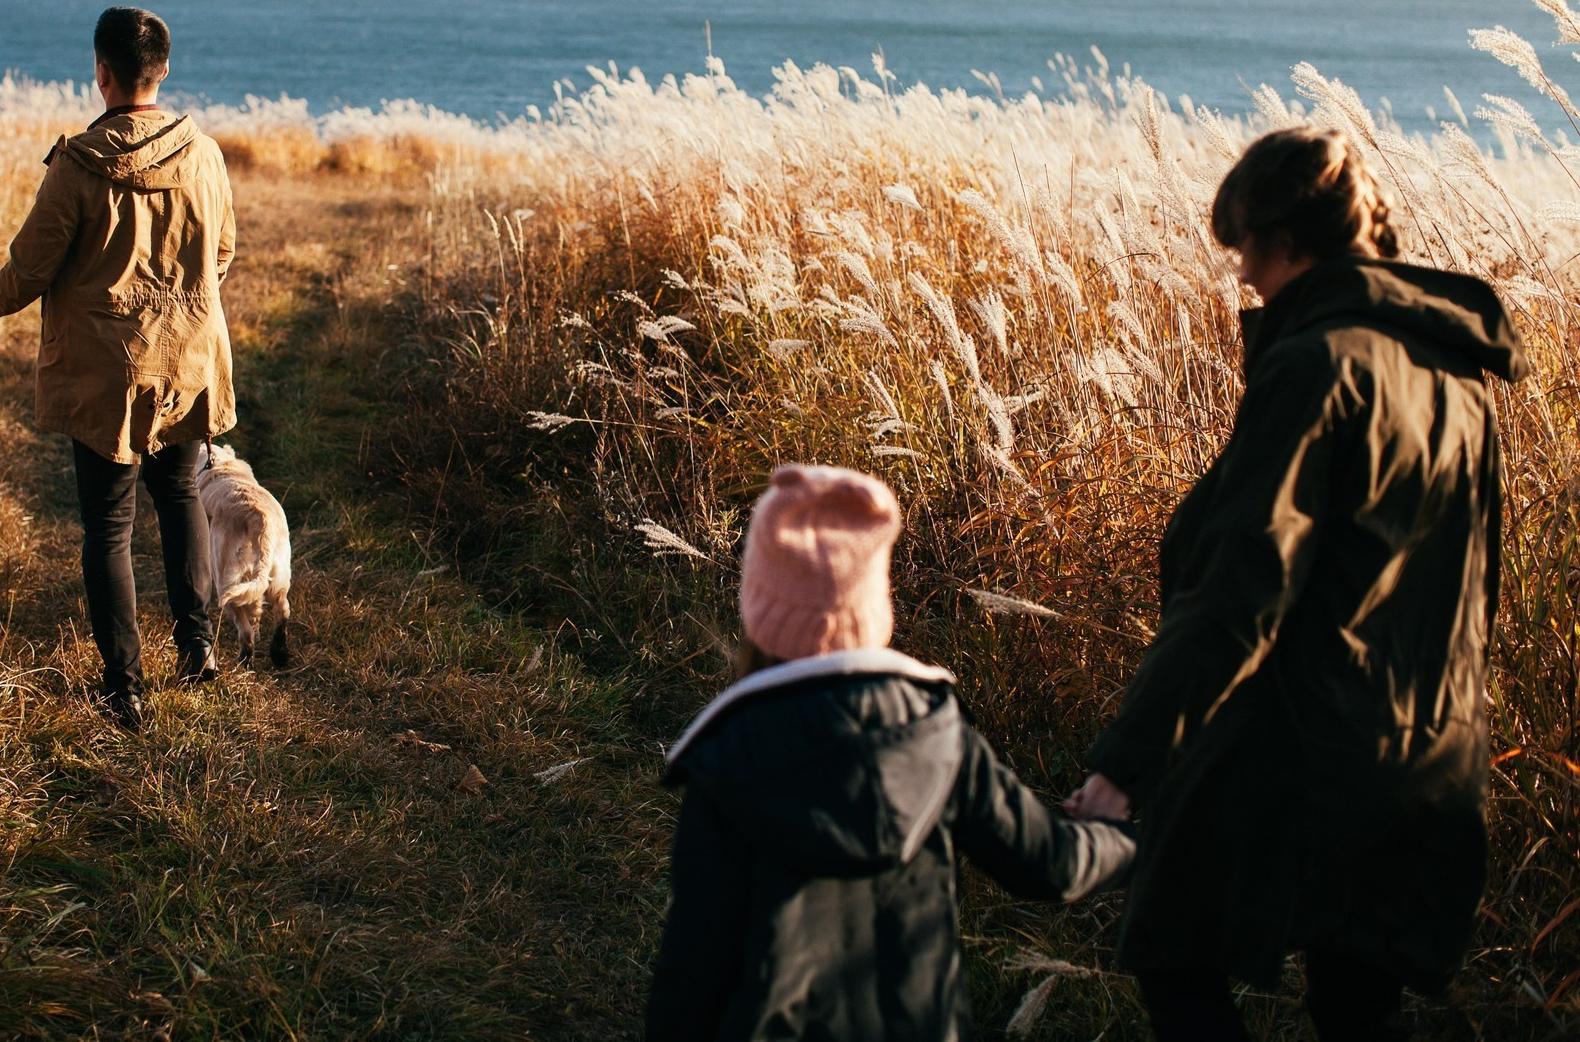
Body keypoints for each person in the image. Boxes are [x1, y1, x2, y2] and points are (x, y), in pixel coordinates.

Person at [1066, 126, 1527, 1040]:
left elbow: (1241, 590)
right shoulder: (1456, 378)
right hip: (1427, 752)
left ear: (1291, 243)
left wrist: (1125, 766)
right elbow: (1476, 588)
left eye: (1246, 249)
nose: (1242, 276)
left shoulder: (1316, 366)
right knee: (1358, 1010)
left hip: (1306, 753)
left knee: (1170, 950)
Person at [647, 464, 1137, 1041]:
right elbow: (1051, 864)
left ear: (757, 609)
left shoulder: (726, 762)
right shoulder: (939, 734)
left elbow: (693, 971)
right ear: (875, 606)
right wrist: (1123, 838)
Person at [0, 6, 237, 728]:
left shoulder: (79, 166)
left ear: (101, 72)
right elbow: (225, 250)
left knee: (109, 525)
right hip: (186, 358)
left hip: (107, 376)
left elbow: (29, 269)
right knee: (179, 500)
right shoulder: (204, 152)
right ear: (163, 70)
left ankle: (124, 686)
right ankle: (197, 650)